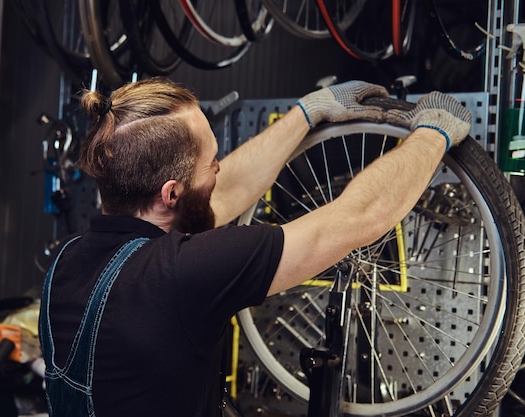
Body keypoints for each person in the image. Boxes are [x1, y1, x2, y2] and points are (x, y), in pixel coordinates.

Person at [38, 77, 472, 417]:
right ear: (171, 193)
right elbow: (360, 217)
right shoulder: (183, 272)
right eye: (211, 163)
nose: (219, 168)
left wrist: (308, 112)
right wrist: (433, 134)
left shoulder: (68, 262)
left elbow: (217, 197)